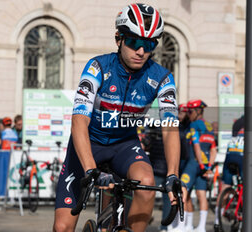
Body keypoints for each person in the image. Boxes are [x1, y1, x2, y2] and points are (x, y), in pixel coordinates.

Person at [53, 3, 184, 232]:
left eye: (149, 44)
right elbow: (79, 121)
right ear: (119, 39)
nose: (141, 51)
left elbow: (170, 127)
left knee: (147, 183)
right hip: (89, 143)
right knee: (62, 228)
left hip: (124, 145)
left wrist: (173, 174)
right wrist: (90, 169)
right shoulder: (97, 67)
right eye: (134, 42)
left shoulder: (162, 78)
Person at [179, 99, 217, 232]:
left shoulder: (194, 124)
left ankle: (183, 226)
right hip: (205, 165)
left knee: (182, 191)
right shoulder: (209, 126)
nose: (188, 114)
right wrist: (209, 166)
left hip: (194, 163)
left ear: (197, 111)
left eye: (190, 111)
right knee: (201, 195)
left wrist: (200, 164)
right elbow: (213, 148)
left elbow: (196, 145)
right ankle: (200, 227)